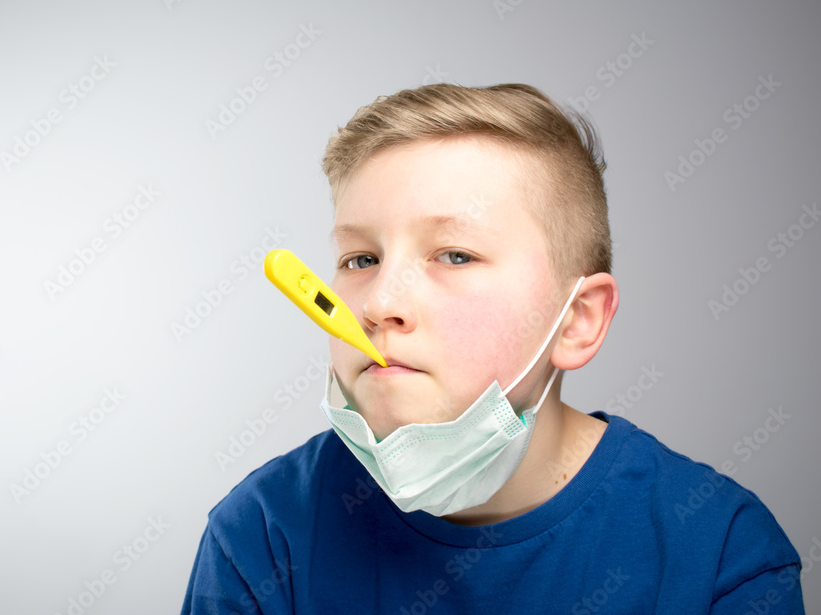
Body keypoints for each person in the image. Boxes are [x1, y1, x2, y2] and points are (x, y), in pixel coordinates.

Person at [181, 83, 804, 613]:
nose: (377, 304)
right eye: (360, 258)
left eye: (455, 254)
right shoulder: (261, 534)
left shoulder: (721, 551)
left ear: (576, 322)